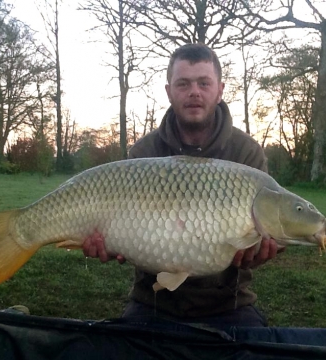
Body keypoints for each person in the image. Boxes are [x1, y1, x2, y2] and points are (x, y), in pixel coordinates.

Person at [83, 43, 283, 327]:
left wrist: (259, 254)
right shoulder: (144, 152)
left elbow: (254, 245)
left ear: (220, 89)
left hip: (228, 304)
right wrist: (106, 242)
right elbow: (122, 237)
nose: (194, 92)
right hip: (152, 302)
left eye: (204, 83)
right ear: (169, 91)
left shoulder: (246, 153)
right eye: (183, 83)